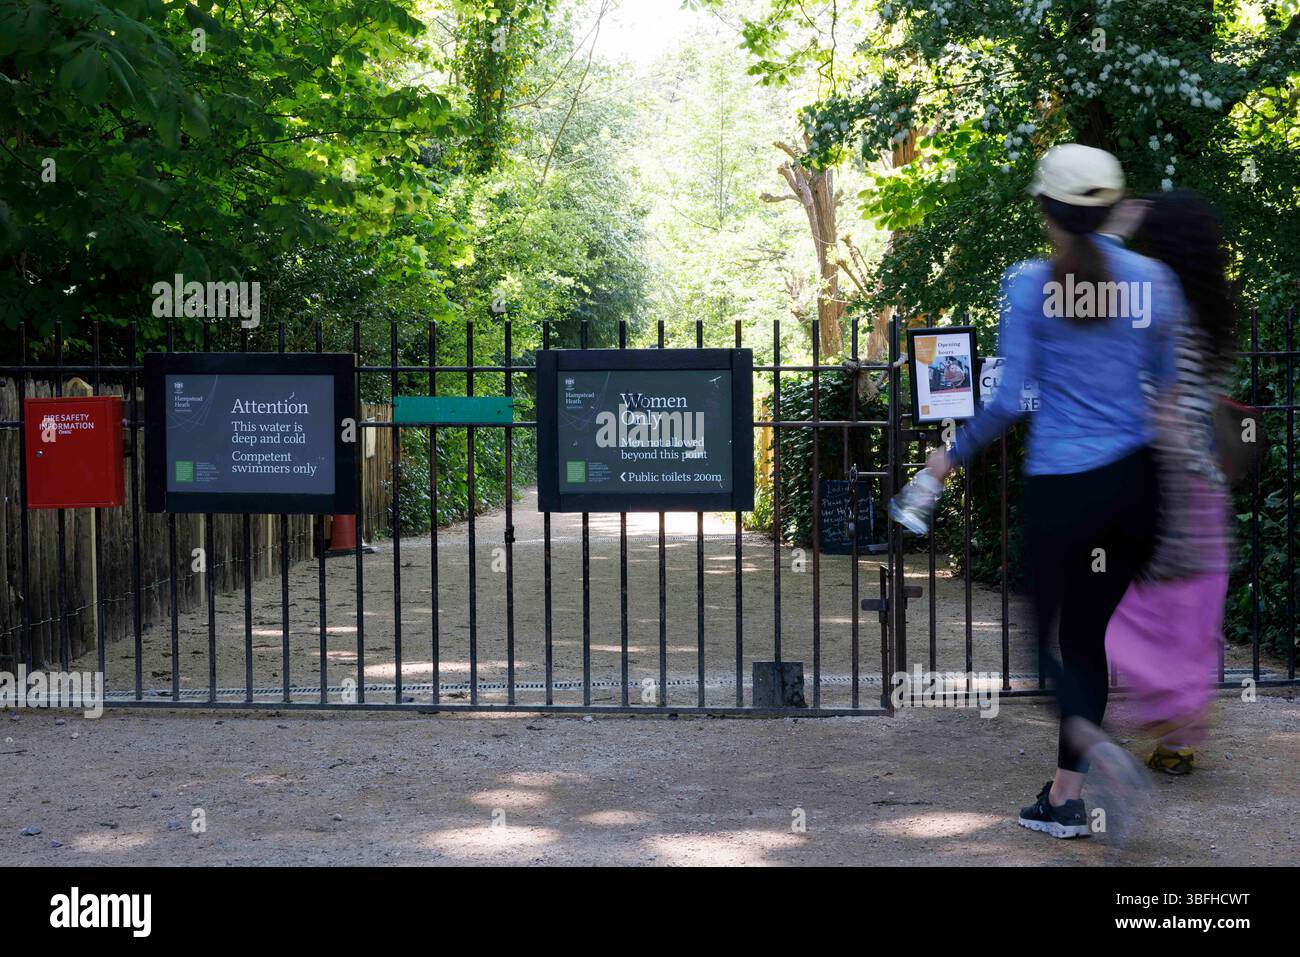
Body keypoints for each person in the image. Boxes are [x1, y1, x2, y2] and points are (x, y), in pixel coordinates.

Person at [924, 143, 1185, 839]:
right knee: (1089, 635)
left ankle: (1100, 756)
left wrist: (949, 458)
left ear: (1047, 212)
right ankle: (1064, 797)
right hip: (1136, 488)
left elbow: (1009, 400)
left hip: (1064, 490)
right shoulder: (1156, 281)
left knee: (1044, 648)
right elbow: (1167, 393)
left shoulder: (1028, 283)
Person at [1102, 190, 1237, 775]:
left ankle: (1161, 716)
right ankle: (1178, 734)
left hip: (1164, 474)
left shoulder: (1158, 304)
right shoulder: (1215, 314)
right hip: (1206, 484)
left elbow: (1159, 402)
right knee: (1188, 614)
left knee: (1120, 602)